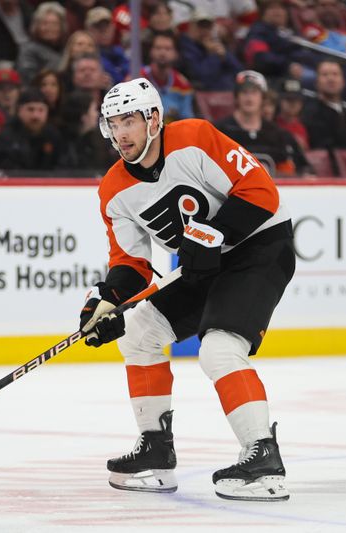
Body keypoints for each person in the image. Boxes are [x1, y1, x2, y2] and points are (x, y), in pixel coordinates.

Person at [80, 77, 294, 500]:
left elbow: (261, 192)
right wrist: (106, 301)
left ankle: (263, 457)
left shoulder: (195, 137)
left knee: (218, 348)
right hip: (202, 265)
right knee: (140, 331)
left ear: (153, 119)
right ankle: (156, 451)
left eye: (129, 120)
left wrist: (213, 233)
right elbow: (131, 263)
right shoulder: (113, 191)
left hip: (259, 247)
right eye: (112, 123)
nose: (121, 133)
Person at [215, 70, 310, 176]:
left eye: (254, 92)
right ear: (236, 97)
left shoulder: (279, 135)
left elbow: (302, 170)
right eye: (244, 92)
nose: (249, 98)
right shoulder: (220, 131)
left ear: (263, 98)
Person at [0, 87, 63, 175]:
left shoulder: (53, 136)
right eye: (30, 109)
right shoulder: (5, 137)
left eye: (41, 110)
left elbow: (62, 166)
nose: (36, 116)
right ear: (19, 110)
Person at [301, 60, 346, 151]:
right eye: (325, 75)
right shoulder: (309, 115)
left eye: (335, 74)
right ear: (316, 83)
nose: (331, 79)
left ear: (343, 82)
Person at [178, 7, 242, 92]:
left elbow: (240, 72)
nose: (204, 31)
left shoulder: (214, 44)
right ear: (191, 26)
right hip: (199, 94)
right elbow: (202, 77)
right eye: (200, 26)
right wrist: (213, 54)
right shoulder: (185, 47)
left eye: (207, 27)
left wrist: (225, 56)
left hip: (224, 93)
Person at [140, 31, 194, 123]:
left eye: (168, 48)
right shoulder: (137, 79)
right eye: (158, 48)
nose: (162, 52)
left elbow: (188, 120)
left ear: (176, 54)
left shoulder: (183, 84)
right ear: (151, 51)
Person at [16, 2, 66, 83]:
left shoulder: (65, 50)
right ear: (36, 26)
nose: (50, 28)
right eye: (45, 23)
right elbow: (28, 78)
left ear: (62, 27)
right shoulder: (28, 51)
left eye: (54, 24)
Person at [84, 7, 128, 85]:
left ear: (113, 28)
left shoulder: (119, 51)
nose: (104, 31)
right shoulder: (87, 56)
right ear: (88, 30)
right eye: (98, 27)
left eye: (107, 26)